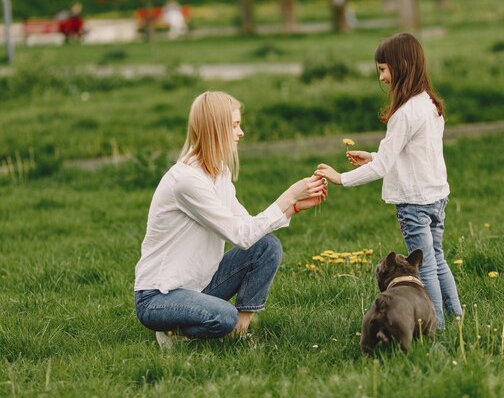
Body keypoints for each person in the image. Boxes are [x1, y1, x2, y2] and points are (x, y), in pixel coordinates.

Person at [134, 91, 327, 348]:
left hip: (200, 286)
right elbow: (241, 235)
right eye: (235, 125)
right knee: (223, 315)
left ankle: (238, 332)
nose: (241, 132)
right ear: (216, 129)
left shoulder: (219, 173)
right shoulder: (187, 181)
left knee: (266, 247)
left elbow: (249, 229)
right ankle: (174, 331)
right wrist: (288, 194)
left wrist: (292, 206)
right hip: (159, 297)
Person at [315, 33, 462, 329]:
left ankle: (438, 328)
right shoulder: (430, 105)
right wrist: (372, 155)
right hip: (435, 198)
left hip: (414, 204)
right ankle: (457, 317)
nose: (381, 77)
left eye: (383, 69)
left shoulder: (405, 114)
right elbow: (413, 154)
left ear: (402, 65)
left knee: (426, 269)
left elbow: (384, 166)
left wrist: (340, 178)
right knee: (438, 259)